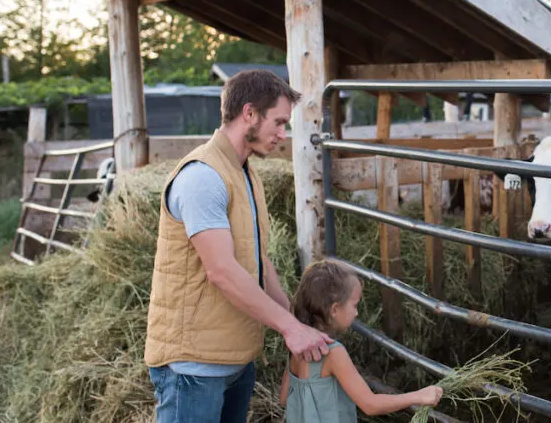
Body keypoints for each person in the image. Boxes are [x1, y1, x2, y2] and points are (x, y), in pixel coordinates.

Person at [145, 69, 334, 423]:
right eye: (278, 122)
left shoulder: (246, 174)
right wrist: (290, 329)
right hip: (195, 367)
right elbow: (222, 271)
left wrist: (296, 319)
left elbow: (256, 261)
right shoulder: (203, 176)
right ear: (249, 113)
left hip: (236, 357)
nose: (283, 134)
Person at [279, 259, 444, 421]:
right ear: (335, 309)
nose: (356, 313)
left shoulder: (296, 347)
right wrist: (418, 396)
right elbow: (370, 405)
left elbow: (284, 398)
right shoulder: (333, 353)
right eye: (355, 305)